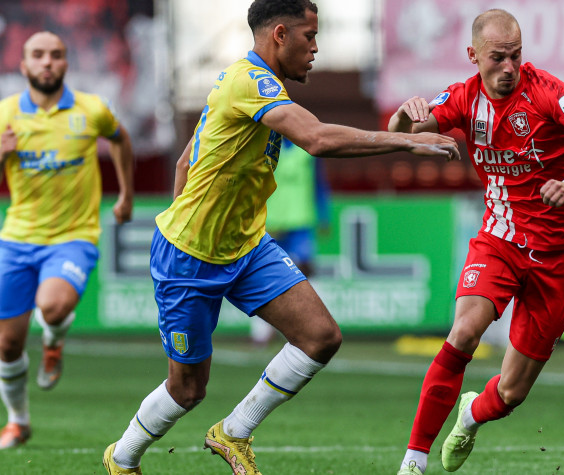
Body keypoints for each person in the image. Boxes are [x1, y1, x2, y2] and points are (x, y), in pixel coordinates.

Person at [102, 1, 459, 474]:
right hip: (188, 258)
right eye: (309, 36)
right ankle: (122, 458)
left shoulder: (243, 83)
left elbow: (185, 160)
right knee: (188, 390)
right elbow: (315, 139)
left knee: (321, 337)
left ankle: (234, 431)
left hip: (247, 246)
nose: (316, 47)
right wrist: (406, 140)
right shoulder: (250, 81)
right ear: (279, 34)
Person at [387, 9, 564, 474]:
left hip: (561, 254)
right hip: (501, 238)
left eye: (515, 56)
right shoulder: (462, 99)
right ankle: (413, 462)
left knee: (512, 392)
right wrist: (400, 116)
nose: (509, 68)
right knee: (464, 332)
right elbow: (397, 138)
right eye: (497, 58)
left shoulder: (548, 93)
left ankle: (472, 414)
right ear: (473, 56)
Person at [0, 31, 134, 449]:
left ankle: (54, 340)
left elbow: (120, 139)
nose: (47, 62)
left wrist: (127, 194)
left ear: (65, 64)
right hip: (17, 238)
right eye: (37, 56)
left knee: (53, 304)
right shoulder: (5, 115)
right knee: (6, 344)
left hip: (73, 236)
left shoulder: (90, 109)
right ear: (23, 66)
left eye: (55, 55)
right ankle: (18, 421)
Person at [250, 136, 329, 346]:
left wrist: (324, 215)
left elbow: (319, 183)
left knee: (306, 270)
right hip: (272, 221)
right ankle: (261, 331)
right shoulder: (264, 149)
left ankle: (315, 324)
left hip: (301, 219)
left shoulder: (307, 150)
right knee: (265, 274)